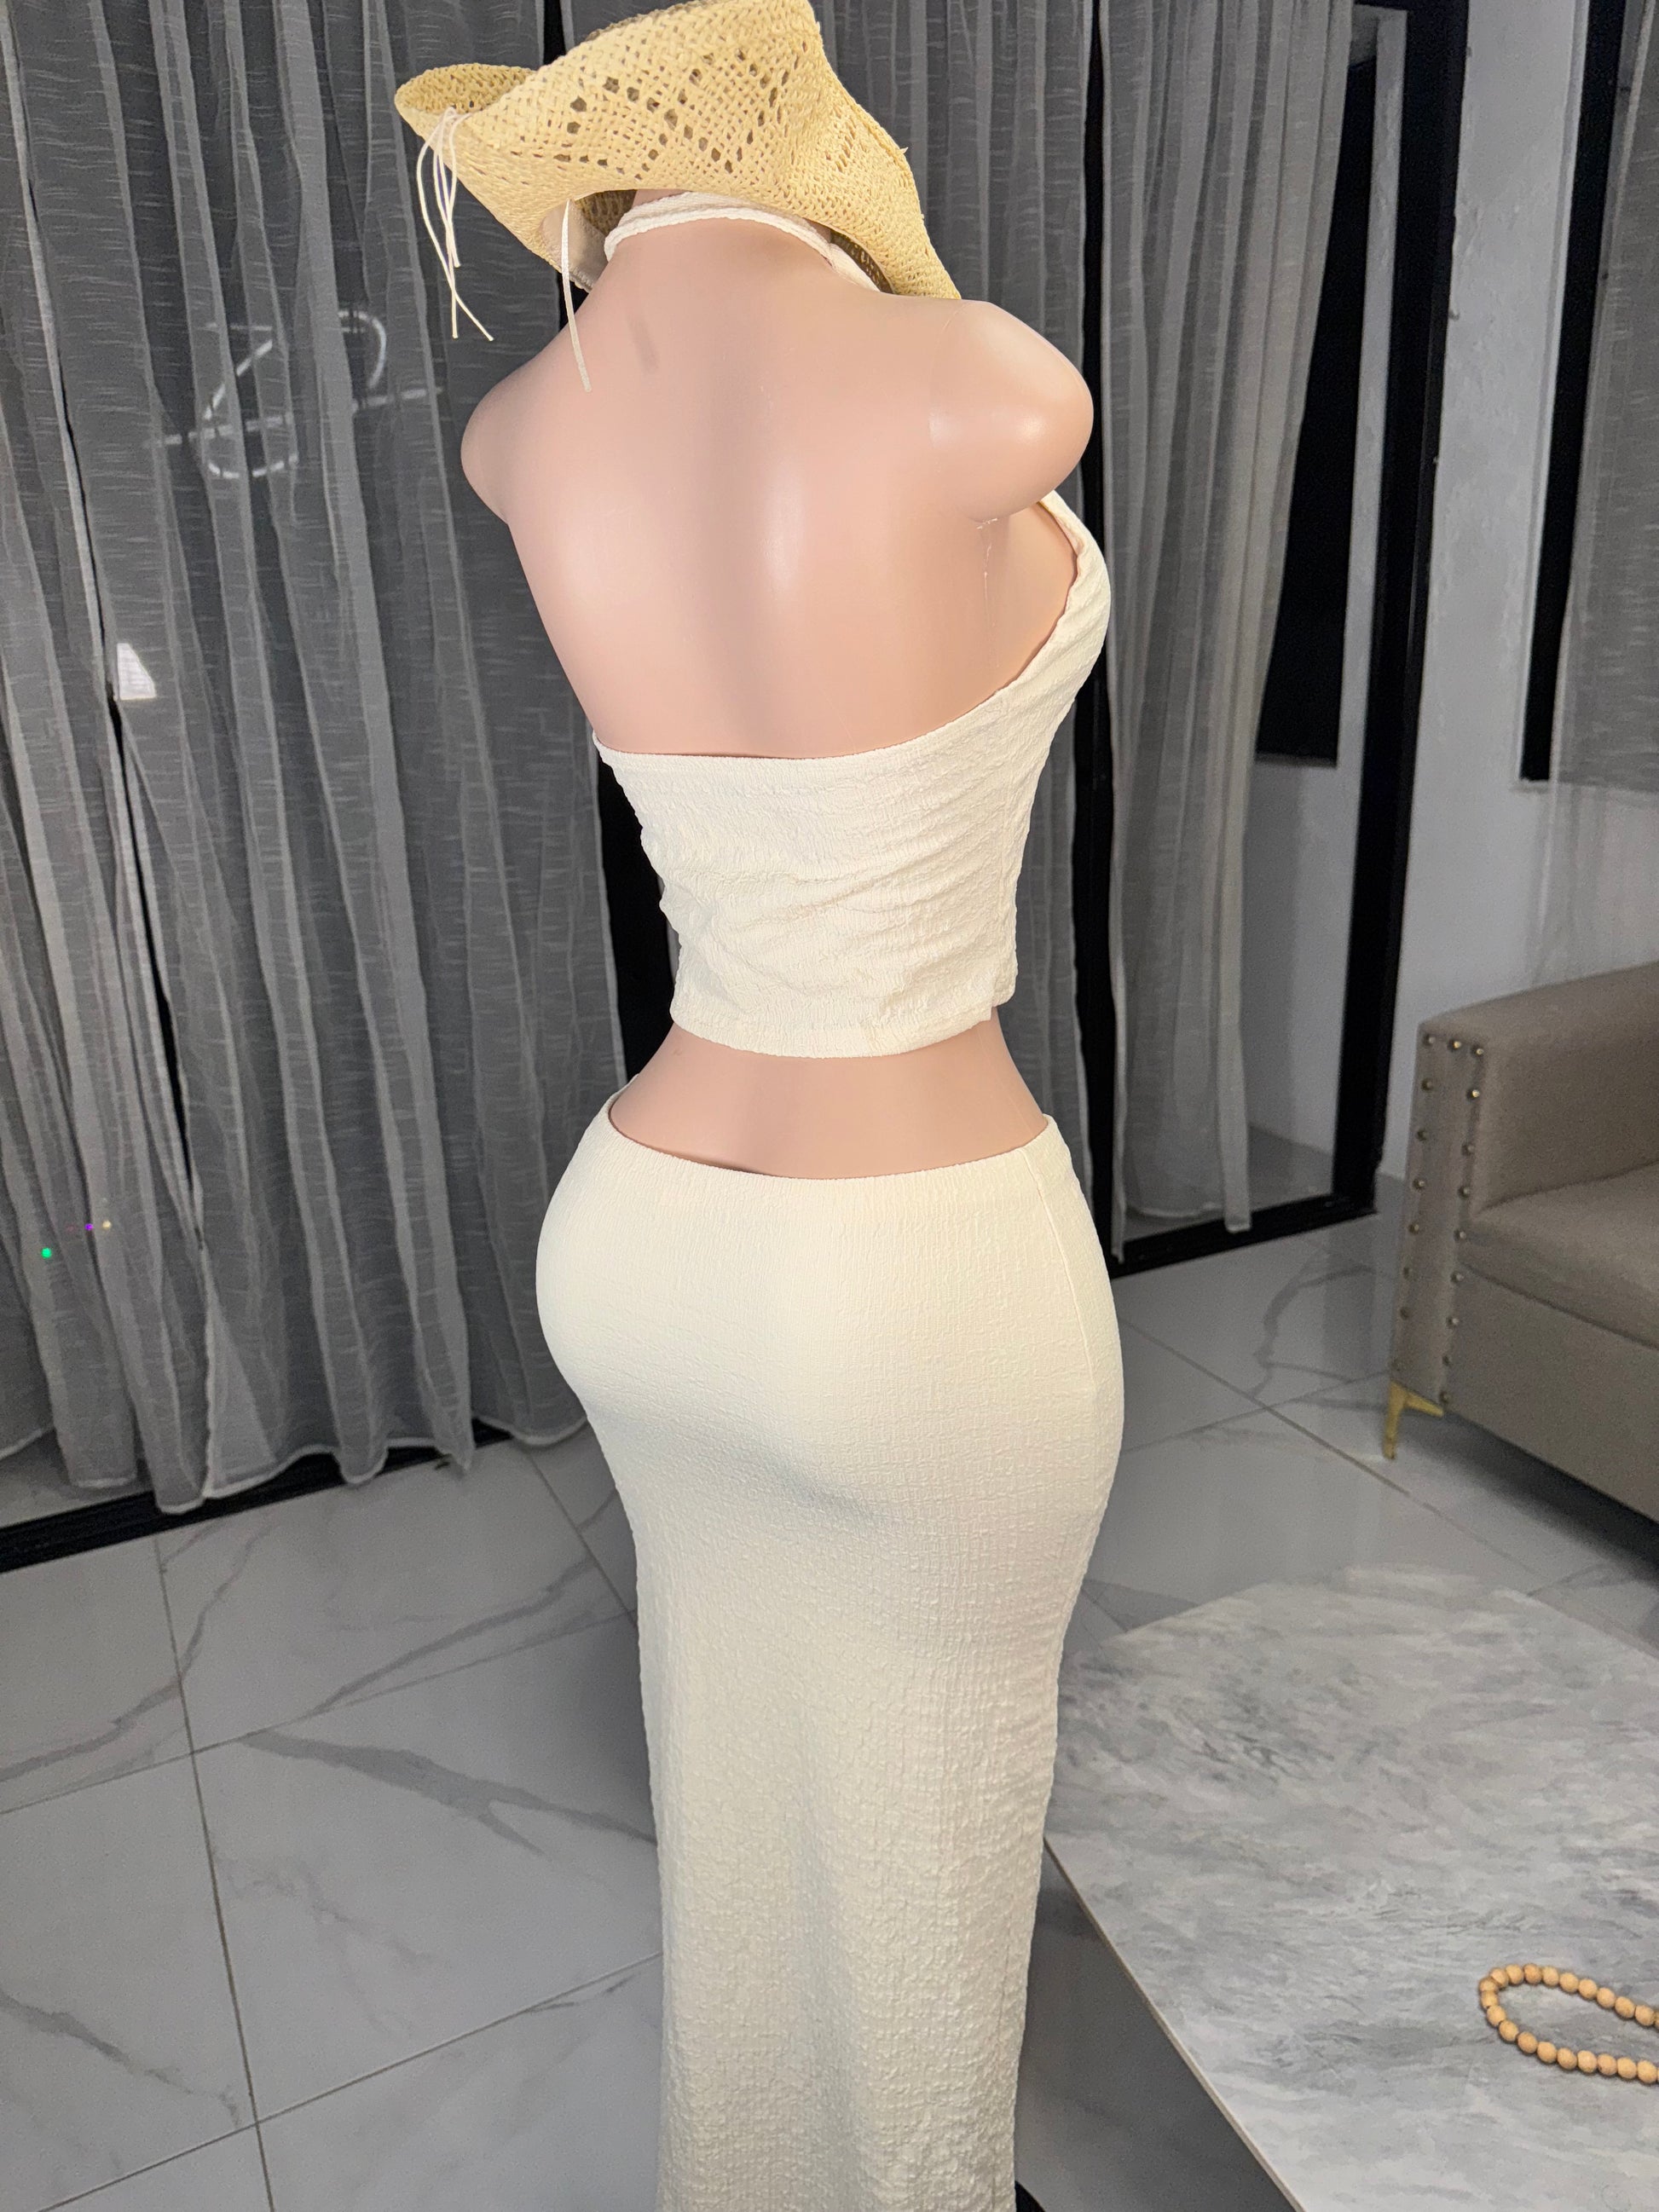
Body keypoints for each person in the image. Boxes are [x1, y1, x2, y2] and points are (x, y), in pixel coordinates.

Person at [397, 6, 1124, 2204]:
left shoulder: (527, 428)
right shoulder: (977, 382)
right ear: (816, 160)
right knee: (929, 1851)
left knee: (735, 1798)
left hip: (645, 1243)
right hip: (911, 1277)